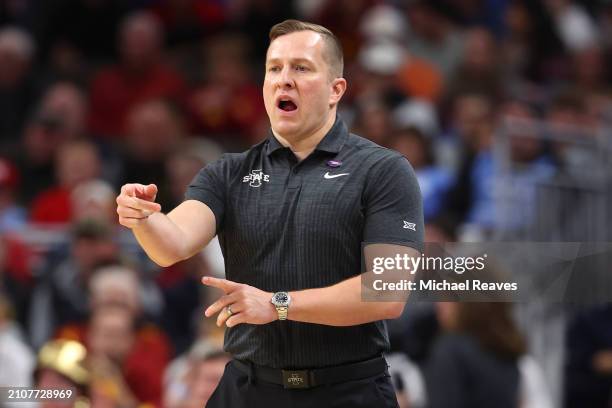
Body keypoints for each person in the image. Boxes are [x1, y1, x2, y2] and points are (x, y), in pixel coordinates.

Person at [116, 19, 423, 407]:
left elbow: (387, 291)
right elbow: (171, 245)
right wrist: (144, 218)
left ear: (336, 89)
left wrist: (279, 304)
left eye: (301, 67)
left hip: (347, 390)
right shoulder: (228, 172)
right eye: (274, 68)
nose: (284, 79)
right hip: (248, 388)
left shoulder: (382, 170)